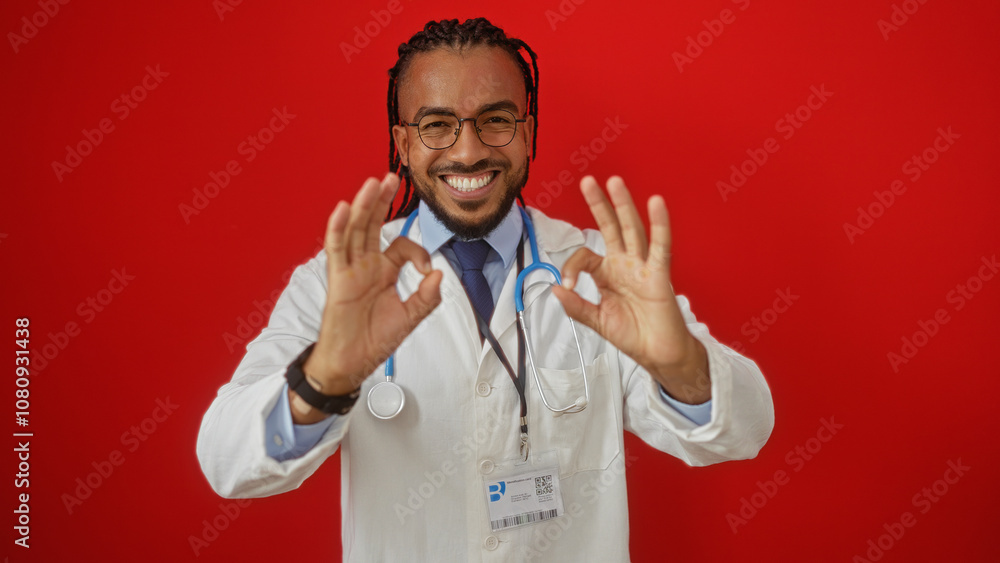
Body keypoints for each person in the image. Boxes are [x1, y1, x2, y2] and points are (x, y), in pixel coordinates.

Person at [197, 17, 773, 562]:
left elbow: (743, 431)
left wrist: (683, 370)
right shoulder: (335, 282)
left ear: (527, 131)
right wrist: (325, 379)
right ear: (403, 141)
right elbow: (228, 462)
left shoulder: (600, 268)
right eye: (436, 124)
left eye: (496, 119)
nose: (468, 150)